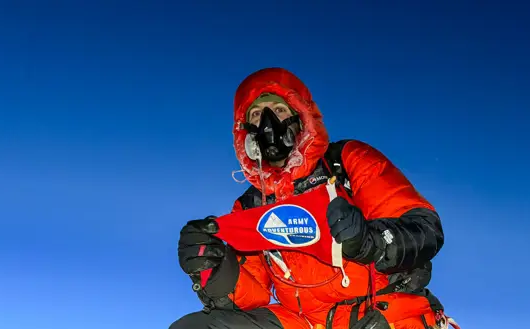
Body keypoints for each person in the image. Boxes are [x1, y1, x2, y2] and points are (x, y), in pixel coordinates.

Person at [172, 68, 456, 329]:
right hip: (305, 322)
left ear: (302, 117)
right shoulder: (252, 205)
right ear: (244, 133)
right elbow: (248, 297)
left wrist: (370, 241)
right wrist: (212, 268)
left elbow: (425, 230)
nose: (268, 124)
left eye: (279, 110)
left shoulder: (346, 162)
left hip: (381, 311)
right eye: (256, 115)